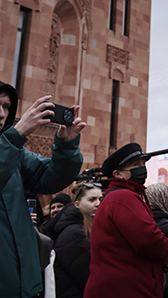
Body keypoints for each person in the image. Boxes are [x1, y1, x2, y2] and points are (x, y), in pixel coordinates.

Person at [0, 82, 85, 298]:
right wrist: (15, 136)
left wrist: (67, 146)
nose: (2, 113)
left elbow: (51, 178)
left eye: (6, 106)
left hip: (26, 288)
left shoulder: (15, 153)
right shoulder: (10, 145)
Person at [84, 143, 168, 298]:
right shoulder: (123, 197)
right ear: (118, 174)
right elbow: (148, 237)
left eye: (143, 164)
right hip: (125, 289)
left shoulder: (122, 196)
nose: (142, 169)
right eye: (135, 165)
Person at [47, 181, 103, 298]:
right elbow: (88, 274)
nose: (98, 203)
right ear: (77, 204)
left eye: (100, 199)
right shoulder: (75, 233)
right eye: (92, 200)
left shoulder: (85, 226)